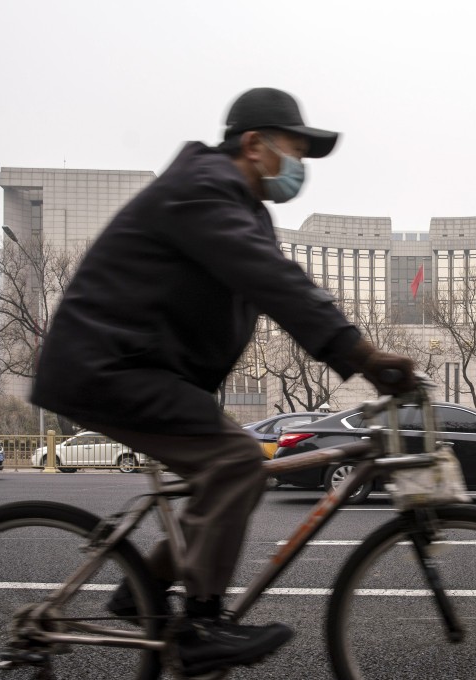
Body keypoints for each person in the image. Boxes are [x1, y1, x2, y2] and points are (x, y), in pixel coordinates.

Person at [31, 87, 416, 676]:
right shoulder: (203, 189)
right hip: (106, 367)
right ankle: (201, 624)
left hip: (138, 368)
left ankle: (143, 589)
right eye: (295, 149)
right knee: (237, 462)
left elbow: (282, 281)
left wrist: (349, 347)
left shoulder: (241, 208)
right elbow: (272, 281)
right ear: (254, 144)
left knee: (229, 476)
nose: (300, 165)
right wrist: (361, 355)